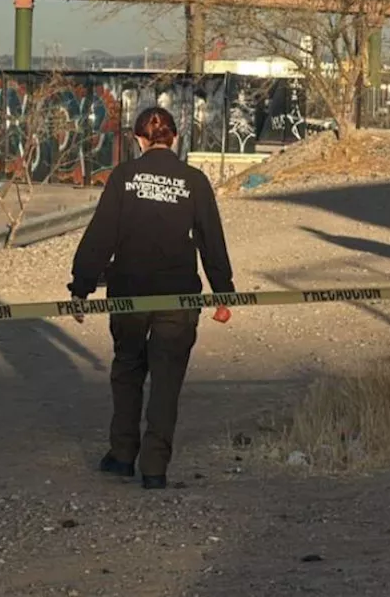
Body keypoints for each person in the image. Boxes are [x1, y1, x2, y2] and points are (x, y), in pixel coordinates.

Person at [68, 106, 236, 490]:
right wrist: (223, 294)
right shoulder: (194, 181)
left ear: (138, 139)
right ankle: (155, 469)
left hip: (129, 291)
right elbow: (212, 241)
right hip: (178, 296)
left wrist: (81, 286)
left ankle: (123, 457)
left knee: (128, 369)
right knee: (167, 378)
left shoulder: (124, 177)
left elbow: (101, 236)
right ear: (174, 138)